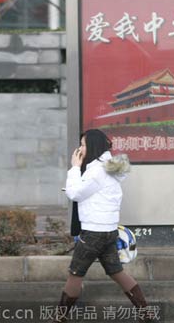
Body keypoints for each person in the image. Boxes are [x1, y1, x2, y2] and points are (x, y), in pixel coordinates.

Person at [53, 129, 152, 322]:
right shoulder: (110, 165)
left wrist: (74, 168)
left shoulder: (97, 170)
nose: (80, 148)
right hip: (109, 231)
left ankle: (59, 318)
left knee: (75, 274)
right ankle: (146, 313)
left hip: (93, 232)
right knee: (117, 272)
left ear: (93, 146)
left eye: (83, 144)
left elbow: (76, 194)